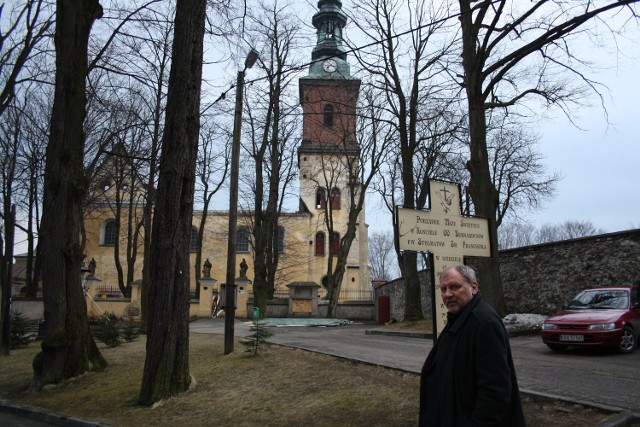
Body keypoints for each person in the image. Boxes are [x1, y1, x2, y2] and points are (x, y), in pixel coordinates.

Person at [419, 265, 526, 426]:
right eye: (443, 289)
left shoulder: (483, 323)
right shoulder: (460, 318)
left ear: (473, 287)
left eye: (455, 287)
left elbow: (495, 391)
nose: (448, 294)